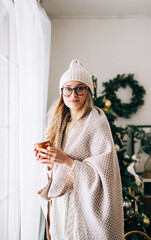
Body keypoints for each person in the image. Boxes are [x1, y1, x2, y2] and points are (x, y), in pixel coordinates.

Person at [36, 59, 124, 240]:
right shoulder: (58, 122)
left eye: (79, 88)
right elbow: (55, 170)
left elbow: (105, 172)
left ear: (88, 91)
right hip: (60, 205)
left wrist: (66, 160)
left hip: (83, 208)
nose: (73, 94)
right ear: (62, 92)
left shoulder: (97, 121)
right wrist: (50, 163)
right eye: (67, 88)